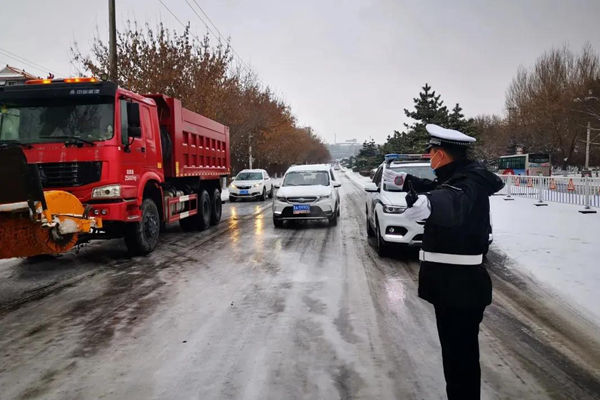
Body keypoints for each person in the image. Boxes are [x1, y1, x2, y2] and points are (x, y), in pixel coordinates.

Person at [383, 124, 504, 400]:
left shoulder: (468, 183)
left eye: (432, 153)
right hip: (452, 287)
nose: (430, 158)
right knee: (456, 359)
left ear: (440, 154)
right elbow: (437, 187)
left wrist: (429, 205)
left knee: (460, 362)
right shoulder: (457, 176)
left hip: (460, 288)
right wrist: (406, 181)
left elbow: (453, 200)